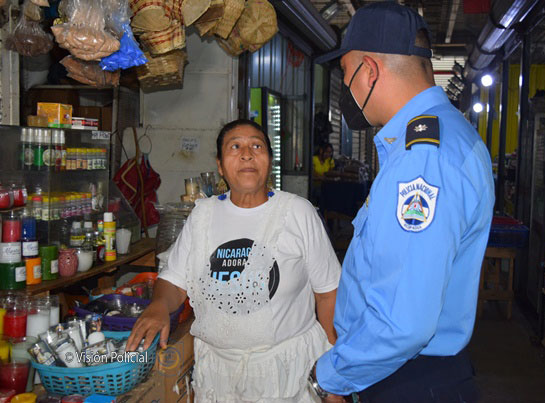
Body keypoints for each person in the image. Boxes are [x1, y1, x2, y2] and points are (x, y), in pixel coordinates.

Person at [307, 3, 495, 402]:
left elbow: (404, 321)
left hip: (407, 380)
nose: (346, 89)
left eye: (346, 74)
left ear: (369, 71)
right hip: (407, 373)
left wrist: (331, 376)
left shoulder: (423, 158)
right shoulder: (441, 137)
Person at [126, 119, 341, 403]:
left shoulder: (298, 213)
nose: (247, 154)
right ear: (220, 165)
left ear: (269, 160)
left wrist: (333, 376)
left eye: (257, 146)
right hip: (219, 378)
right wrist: (158, 306)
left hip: (288, 374)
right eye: (235, 146)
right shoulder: (202, 215)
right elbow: (174, 281)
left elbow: (328, 295)